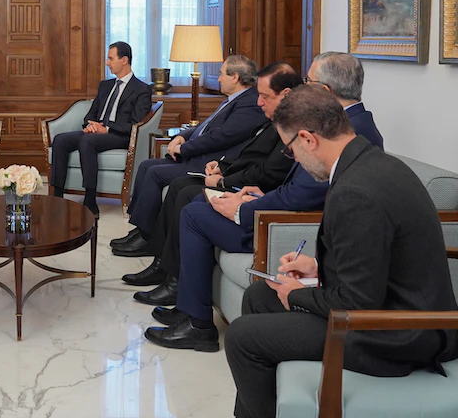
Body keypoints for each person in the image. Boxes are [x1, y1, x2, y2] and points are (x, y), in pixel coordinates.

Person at [224, 86, 458, 418]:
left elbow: (358, 302)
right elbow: (376, 257)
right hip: (391, 307)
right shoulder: (371, 162)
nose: (295, 159)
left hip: (399, 333)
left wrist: (297, 294)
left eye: (290, 150)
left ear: (308, 139)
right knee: (260, 295)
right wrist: (317, 268)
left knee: (241, 338)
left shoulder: (356, 191)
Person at [142, 70, 385, 352]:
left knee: (195, 214)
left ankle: (196, 323)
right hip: (278, 211)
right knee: (196, 203)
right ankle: (188, 307)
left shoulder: (348, 137)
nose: (303, 86)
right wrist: (257, 196)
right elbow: (295, 186)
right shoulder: (344, 128)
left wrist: (244, 209)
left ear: (327, 91)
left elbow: (303, 194)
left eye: (309, 81)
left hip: (283, 225)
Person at [121, 63, 301, 302]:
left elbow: (261, 166)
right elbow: (245, 150)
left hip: (250, 196)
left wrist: (224, 180)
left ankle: (171, 276)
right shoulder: (271, 116)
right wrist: (221, 165)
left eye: (265, 96)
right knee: (171, 182)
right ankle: (160, 261)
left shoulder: (286, 124)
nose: (260, 102)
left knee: (183, 191)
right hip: (234, 176)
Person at [111, 55, 266, 257]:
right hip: (199, 156)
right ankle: (142, 229)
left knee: (155, 173)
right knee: (146, 165)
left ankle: (147, 238)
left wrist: (185, 148)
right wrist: (182, 137)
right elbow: (206, 126)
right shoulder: (234, 99)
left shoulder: (249, 103)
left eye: (221, 74)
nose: (218, 79)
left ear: (235, 77)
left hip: (210, 163)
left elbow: (222, 137)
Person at [49, 41, 151, 217]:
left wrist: (107, 128)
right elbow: (92, 113)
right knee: (60, 139)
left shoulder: (142, 89)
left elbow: (135, 123)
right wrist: (90, 125)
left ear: (124, 60)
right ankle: (57, 196)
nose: (107, 62)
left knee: (87, 141)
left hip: (120, 135)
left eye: (111, 58)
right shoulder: (105, 85)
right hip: (96, 132)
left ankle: (90, 200)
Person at [304, 51, 383, 148]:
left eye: (309, 80)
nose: (306, 86)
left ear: (325, 91)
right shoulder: (352, 120)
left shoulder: (347, 133)